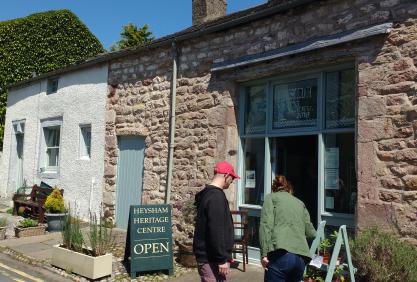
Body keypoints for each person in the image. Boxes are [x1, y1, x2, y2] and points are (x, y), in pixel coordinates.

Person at [259, 175, 316, 282]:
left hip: (280, 256)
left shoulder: (271, 198)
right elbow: (312, 233)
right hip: (300, 259)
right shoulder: (300, 203)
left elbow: (266, 226)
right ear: (290, 189)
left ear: (274, 189)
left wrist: (264, 254)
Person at [193, 161, 240, 282]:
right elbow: (216, 230)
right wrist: (221, 259)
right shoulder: (216, 197)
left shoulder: (208, 193)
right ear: (226, 176)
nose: (232, 181)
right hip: (211, 259)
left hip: (210, 257)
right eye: (232, 178)